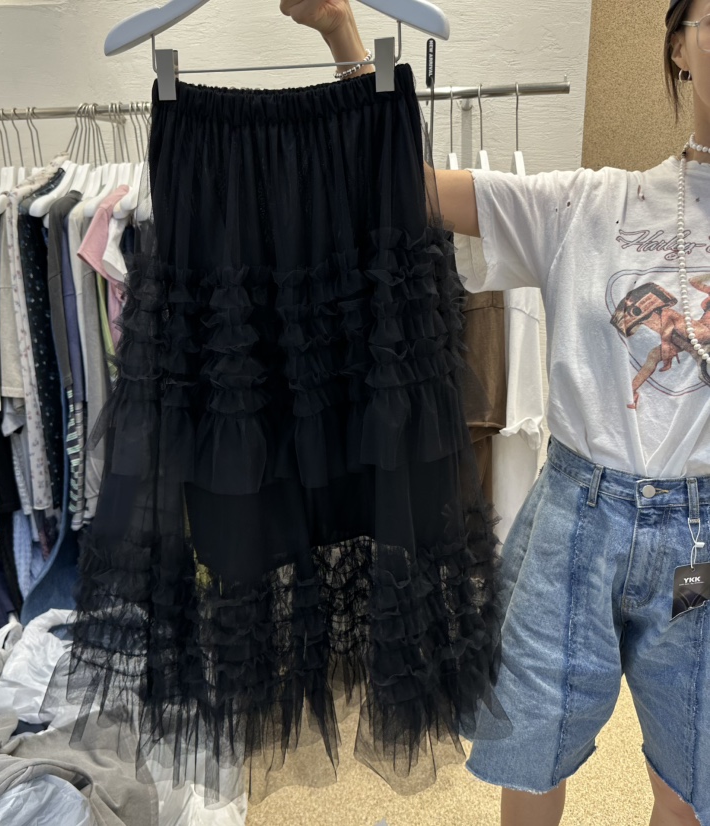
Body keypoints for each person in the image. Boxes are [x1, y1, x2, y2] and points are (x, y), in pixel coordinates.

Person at [280, 1, 710, 824]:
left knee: (691, 774)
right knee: (532, 754)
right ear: (679, 47)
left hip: (704, 542)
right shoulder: (592, 204)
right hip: (577, 521)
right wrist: (342, 33)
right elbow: (402, 189)